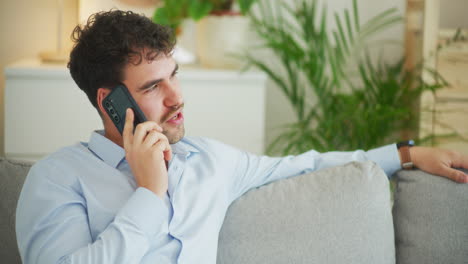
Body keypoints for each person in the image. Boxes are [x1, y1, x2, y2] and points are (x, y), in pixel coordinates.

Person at [15, 10, 468, 264]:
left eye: (174, 75)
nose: (177, 97)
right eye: (153, 87)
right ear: (108, 101)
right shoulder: (57, 178)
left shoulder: (208, 160)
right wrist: (150, 194)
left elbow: (307, 164)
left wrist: (406, 154)